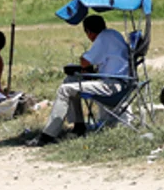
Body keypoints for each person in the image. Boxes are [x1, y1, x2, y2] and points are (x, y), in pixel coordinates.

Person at [26, 15, 130, 147]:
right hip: (121, 82)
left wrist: (84, 62)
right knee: (70, 81)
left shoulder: (102, 38)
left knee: (65, 90)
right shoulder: (113, 34)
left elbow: (85, 62)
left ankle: (47, 135)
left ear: (89, 32)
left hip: (112, 86)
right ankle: (78, 125)